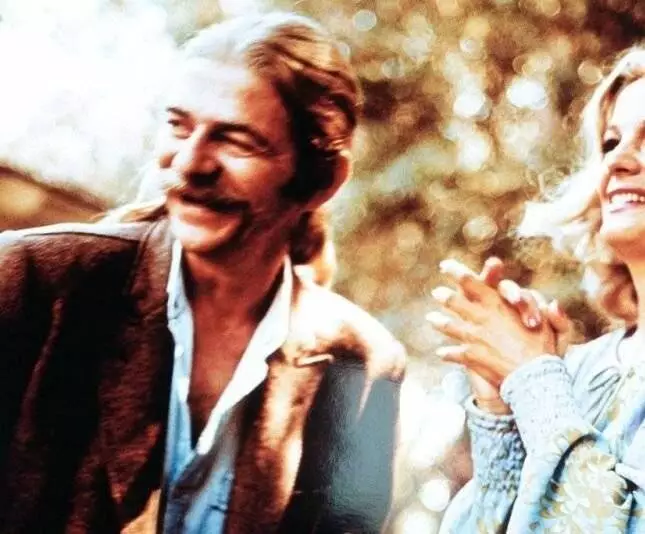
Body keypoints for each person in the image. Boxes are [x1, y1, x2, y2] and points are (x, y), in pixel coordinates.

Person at [0, 13, 406, 534]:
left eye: (237, 141)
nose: (190, 164)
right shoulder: (33, 281)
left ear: (323, 180)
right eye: (179, 126)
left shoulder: (364, 368)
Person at [429, 47, 645, 532]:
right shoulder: (576, 369)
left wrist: (532, 378)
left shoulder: (546, 381)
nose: (617, 161)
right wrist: (502, 410)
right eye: (611, 142)